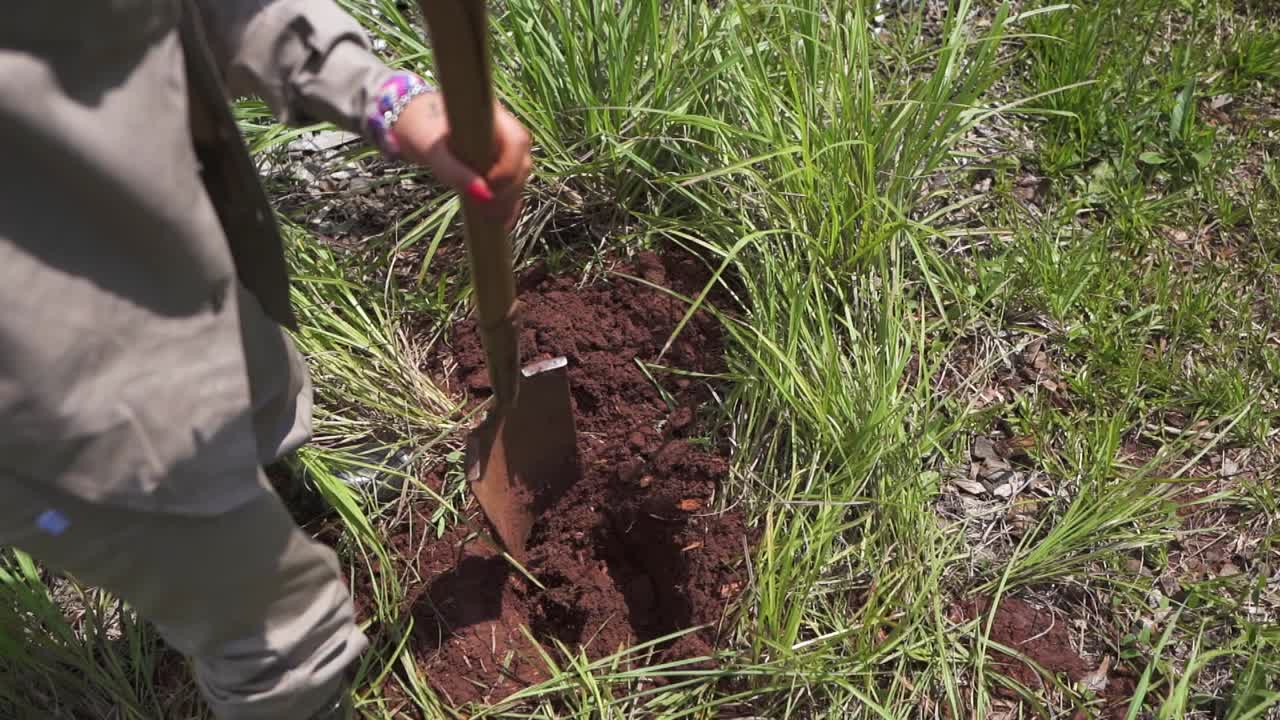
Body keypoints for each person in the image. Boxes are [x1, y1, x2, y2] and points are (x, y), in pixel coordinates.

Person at [0, 1, 531, 718]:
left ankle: (265, 486)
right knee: (279, 637)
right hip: (45, 389)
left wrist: (385, 98)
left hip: (151, 244)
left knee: (263, 387)